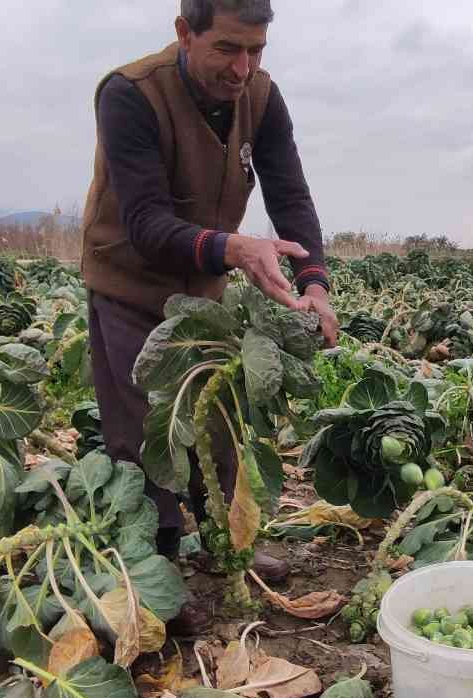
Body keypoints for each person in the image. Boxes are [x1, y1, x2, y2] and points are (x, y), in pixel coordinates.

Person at [80, 0, 338, 623]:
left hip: (204, 288)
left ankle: (229, 548)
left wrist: (315, 280)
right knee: (148, 435)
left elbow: (289, 193)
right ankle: (155, 579)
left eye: (256, 50)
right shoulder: (130, 94)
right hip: (129, 284)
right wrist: (235, 248)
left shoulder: (263, 98)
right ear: (184, 33)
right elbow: (144, 222)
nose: (243, 66)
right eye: (227, 47)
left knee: (218, 423)